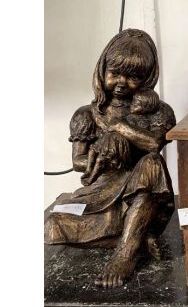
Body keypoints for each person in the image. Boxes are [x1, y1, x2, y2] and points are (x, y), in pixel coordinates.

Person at [44, 29, 176, 288]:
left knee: (151, 163)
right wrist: (103, 160)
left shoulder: (157, 112)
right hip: (100, 190)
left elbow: (154, 144)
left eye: (133, 77)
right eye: (114, 73)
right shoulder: (86, 115)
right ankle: (136, 237)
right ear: (102, 71)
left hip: (141, 193)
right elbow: (78, 162)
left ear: (148, 78)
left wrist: (119, 127)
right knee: (51, 226)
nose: (121, 82)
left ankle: (125, 254)